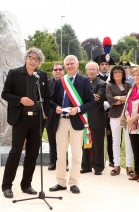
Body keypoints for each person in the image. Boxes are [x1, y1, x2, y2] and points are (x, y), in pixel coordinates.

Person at [1, 47, 49, 199]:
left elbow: (46, 98)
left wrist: (45, 116)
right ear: (26, 58)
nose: (33, 61)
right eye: (31, 57)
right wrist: (20, 100)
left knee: (33, 154)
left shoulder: (41, 75)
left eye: (36, 59)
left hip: (37, 119)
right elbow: (5, 94)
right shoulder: (14, 73)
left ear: (39, 62)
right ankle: (7, 186)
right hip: (20, 118)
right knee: (15, 152)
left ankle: (26, 185)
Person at [49, 55, 94, 194]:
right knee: (60, 154)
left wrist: (78, 110)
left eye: (71, 63)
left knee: (76, 155)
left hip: (77, 121)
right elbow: (51, 100)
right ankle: (61, 182)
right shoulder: (59, 82)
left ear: (77, 65)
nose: (69, 66)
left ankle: (74, 182)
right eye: (67, 64)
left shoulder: (84, 81)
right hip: (61, 121)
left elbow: (91, 101)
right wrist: (55, 107)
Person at [106, 65, 133, 176]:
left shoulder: (128, 85)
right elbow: (110, 100)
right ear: (112, 74)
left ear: (123, 74)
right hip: (115, 115)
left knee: (128, 141)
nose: (117, 73)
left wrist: (118, 97)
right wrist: (123, 98)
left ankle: (129, 166)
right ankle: (116, 165)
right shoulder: (109, 85)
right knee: (115, 140)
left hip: (128, 115)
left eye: (120, 72)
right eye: (115, 72)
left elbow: (131, 98)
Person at [81, 61, 106, 175]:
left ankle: (98, 167)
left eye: (94, 69)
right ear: (86, 71)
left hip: (97, 117)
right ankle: (86, 166)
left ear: (97, 71)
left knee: (97, 143)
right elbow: (80, 97)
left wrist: (88, 96)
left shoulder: (102, 83)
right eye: (89, 69)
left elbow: (99, 98)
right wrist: (91, 95)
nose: (91, 71)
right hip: (84, 116)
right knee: (85, 142)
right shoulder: (82, 82)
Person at [94, 37, 116, 167]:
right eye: (102, 64)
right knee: (97, 137)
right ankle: (97, 160)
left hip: (111, 111)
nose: (104, 66)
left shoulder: (114, 78)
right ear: (99, 66)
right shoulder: (94, 78)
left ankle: (113, 159)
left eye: (106, 64)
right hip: (98, 111)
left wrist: (110, 103)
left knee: (112, 137)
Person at [46, 62, 64, 171]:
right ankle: (53, 162)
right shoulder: (47, 83)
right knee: (52, 141)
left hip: (64, 115)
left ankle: (64, 163)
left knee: (63, 141)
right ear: (52, 71)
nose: (58, 71)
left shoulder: (67, 82)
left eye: (60, 69)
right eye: (55, 69)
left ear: (63, 71)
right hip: (50, 116)